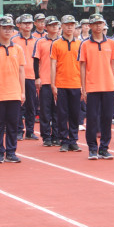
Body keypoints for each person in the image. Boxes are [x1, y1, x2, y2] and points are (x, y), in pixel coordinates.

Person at [78, 13, 114, 160]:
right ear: (90, 26)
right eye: (95, 24)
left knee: (107, 118)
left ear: (104, 25)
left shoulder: (111, 44)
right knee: (92, 119)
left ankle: (104, 148)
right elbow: (82, 66)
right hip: (92, 86)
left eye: (100, 23)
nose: (98, 26)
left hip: (108, 86)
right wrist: (83, 87)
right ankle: (92, 148)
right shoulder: (85, 44)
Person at [0, 16, 26, 163]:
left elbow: (21, 71)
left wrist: (22, 92)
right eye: (5, 28)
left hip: (14, 92)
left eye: (10, 28)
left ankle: (11, 152)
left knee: (13, 125)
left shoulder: (18, 49)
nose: (8, 31)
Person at [50, 15, 83, 152]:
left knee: (75, 114)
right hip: (61, 83)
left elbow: (83, 65)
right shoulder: (56, 44)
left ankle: (73, 140)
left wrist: (83, 85)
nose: (70, 27)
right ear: (61, 26)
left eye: (72, 25)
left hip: (76, 83)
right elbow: (53, 64)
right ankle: (64, 140)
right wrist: (53, 84)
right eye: (67, 25)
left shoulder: (80, 44)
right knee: (62, 114)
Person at [33, 15, 60, 147]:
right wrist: (37, 77)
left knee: (58, 110)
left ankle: (56, 135)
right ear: (46, 27)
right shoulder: (40, 42)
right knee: (45, 110)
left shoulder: (62, 41)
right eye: (51, 25)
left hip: (60, 81)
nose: (54, 27)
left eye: (56, 25)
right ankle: (46, 136)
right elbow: (36, 60)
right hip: (45, 80)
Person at [12, 13, 39, 141]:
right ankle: (18, 130)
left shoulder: (36, 41)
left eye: (29, 23)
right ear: (20, 25)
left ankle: (30, 131)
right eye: (25, 23)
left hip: (32, 76)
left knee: (31, 105)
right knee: (18, 105)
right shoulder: (14, 40)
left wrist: (38, 76)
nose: (27, 25)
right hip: (17, 77)